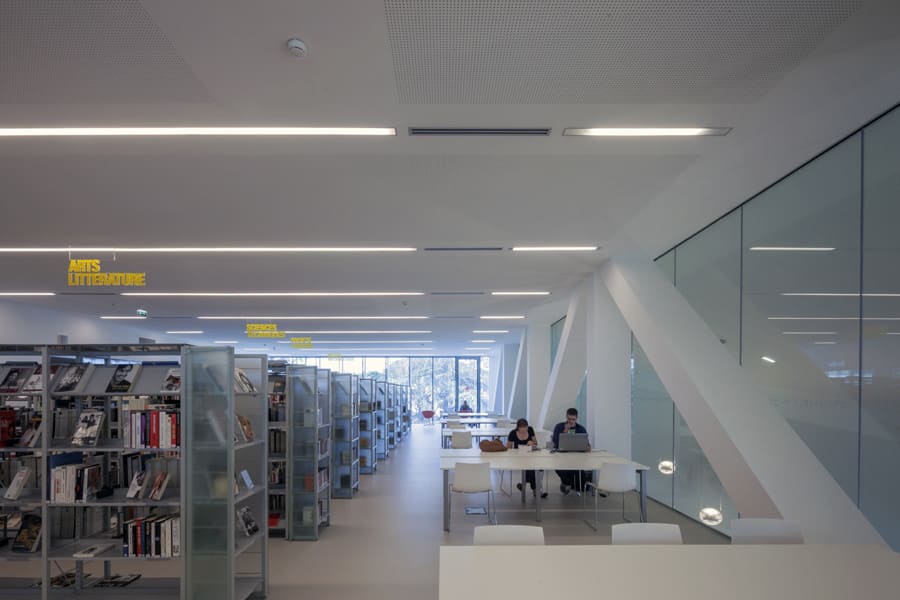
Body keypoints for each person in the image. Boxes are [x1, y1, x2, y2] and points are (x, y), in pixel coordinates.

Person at [552, 407, 592, 495]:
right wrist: (565, 431)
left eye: (573, 419)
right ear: (566, 417)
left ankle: (568, 483)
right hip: (561, 457)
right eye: (569, 419)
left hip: (577, 457)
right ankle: (567, 483)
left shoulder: (581, 429)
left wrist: (587, 447)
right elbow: (555, 442)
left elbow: (587, 444)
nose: (570, 421)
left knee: (583, 486)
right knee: (559, 468)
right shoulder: (559, 426)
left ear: (576, 418)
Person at [506, 418, 548, 498]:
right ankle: (536, 491)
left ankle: (523, 484)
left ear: (527, 427)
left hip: (531, 456)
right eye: (522, 430)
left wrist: (532, 443)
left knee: (536, 467)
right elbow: (508, 448)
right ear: (518, 428)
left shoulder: (530, 430)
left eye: (525, 429)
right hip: (518, 458)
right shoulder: (513, 433)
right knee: (532, 468)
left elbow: (536, 443)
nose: (524, 432)